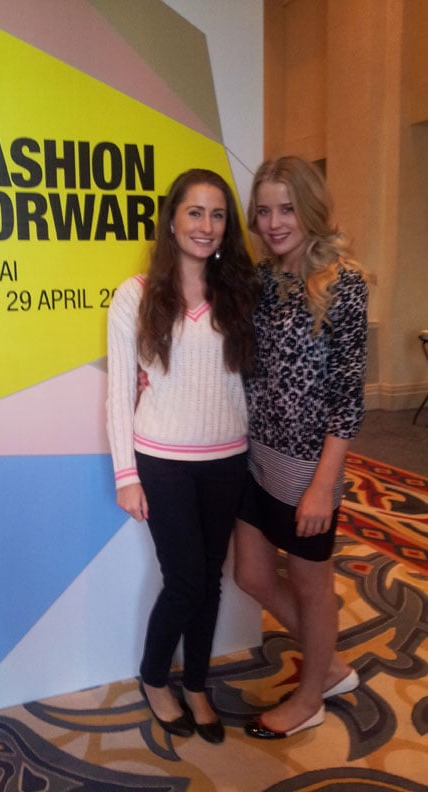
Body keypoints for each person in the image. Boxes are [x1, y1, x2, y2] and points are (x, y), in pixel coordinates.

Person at [106, 168, 259, 743]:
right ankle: (153, 677)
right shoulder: (136, 295)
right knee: (185, 581)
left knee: (211, 580)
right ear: (172, 219)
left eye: (218, 215)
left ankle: (196, 684)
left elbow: (244, 386)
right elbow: (119, 393)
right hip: (162, 462)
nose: (206, 225)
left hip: (227, 460)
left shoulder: (238, 293)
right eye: (195, 212)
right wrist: (126, 475)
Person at [234, 156, 368, 739]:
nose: (273, 223)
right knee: (252, 575)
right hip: (256, 455)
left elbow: (347, 398)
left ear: (310, 209)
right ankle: (328, 665)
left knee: (314, 589)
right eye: (264, 211)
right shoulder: (263, 279)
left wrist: (322, 485)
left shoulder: (343, 283)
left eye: (286, 209)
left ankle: (311, 697)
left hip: (309, 467)